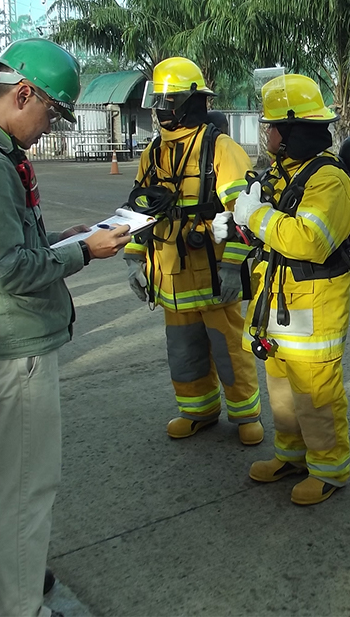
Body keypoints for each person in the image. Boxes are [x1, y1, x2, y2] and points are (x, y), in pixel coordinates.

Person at [0, 38, 132, 617]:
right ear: (24, 93)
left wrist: (65, 237)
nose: (51, 127)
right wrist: (86, 253)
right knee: (25, 493)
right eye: (52, 112)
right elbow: (8, 270)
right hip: (14, 348)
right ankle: (19, 606)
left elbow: (4, 246)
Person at [214, 71, 350, 506]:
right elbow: (268, 224)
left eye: (272, 126)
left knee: (315, 392)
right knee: (280, 386)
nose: (267, 133)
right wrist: (238, 221)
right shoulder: (284, 172)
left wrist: (254, 217)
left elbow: (308, 240)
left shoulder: (329, 181)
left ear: (293, 130)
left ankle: (329, 470)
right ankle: (292, 457)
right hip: (277, 299)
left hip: (313, 304)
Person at [124, 57, 263, 444]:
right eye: (157, 100)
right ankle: (198, 410)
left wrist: (234, 267)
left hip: (213, 273)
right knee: (183, 351)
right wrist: (135, 259)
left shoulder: (220, 148)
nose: (159, 109)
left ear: (188, 102)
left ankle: (245, 414)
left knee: (229, 349)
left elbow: (244, 212)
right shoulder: (152, 153)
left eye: (166, 101)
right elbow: (140, 207)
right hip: (168, 275)